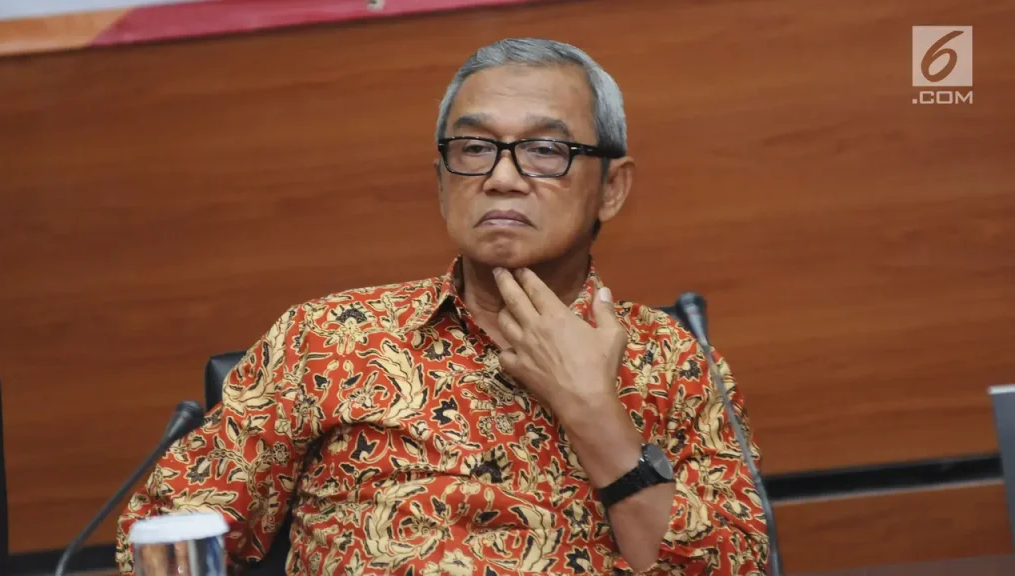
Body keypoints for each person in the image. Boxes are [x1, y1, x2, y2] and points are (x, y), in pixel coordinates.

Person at [116, 37, 769, 575]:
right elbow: (163, 535)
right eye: (474, 149)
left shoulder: (675, 362)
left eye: (545, 150)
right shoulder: (327, 339)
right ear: (441, 182)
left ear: (612, 188)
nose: (502, 177)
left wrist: (594, 412)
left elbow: (731, 567)